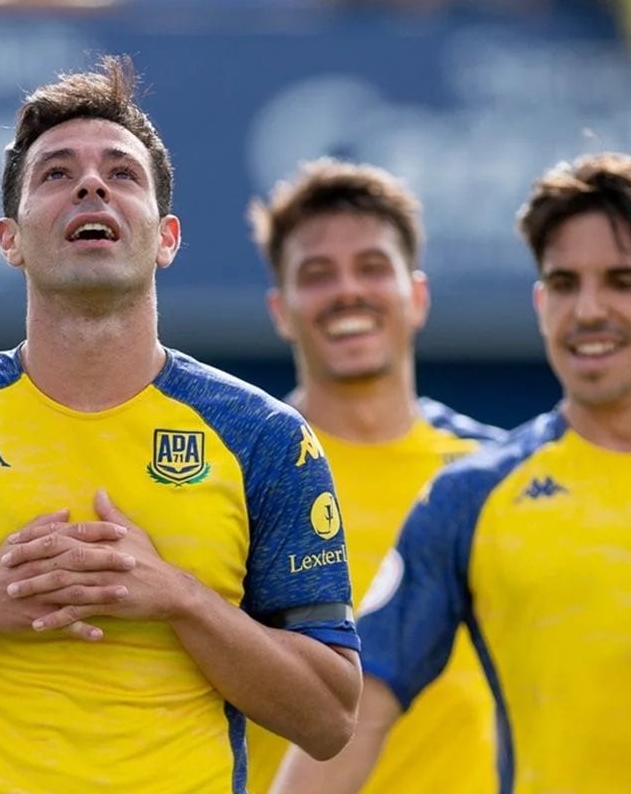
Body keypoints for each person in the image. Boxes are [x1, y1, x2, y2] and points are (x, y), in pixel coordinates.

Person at [0, 55, 362, 794]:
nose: (91, 184)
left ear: (166, 237)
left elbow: (328, 717)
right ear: (10, 239)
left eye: (122, 174)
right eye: (56, 173)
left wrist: (178, 597)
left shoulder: (262, 435)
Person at [272, 151, 631, 793]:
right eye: (565, 284)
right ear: (541, 303)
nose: (588, 310)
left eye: (624, 281)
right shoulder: (469, 498)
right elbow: (352, 722)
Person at [245, 159, 504, 794]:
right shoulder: (237, 471)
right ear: (281, 310)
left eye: (371, 267)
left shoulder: (497, 472)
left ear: (416, 295)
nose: (347, 292)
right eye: (317, 274)